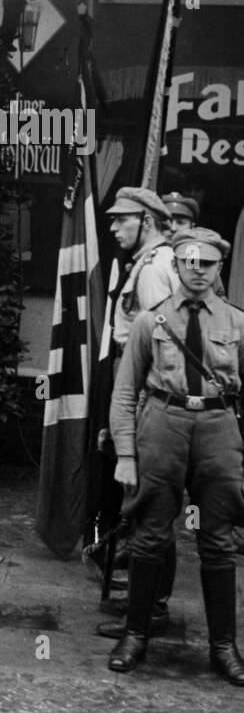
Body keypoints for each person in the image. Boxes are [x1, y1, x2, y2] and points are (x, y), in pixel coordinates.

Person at [108, 227, 244, 685]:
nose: (198, 270)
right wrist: (126, 453)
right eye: (190, 262)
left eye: (207, 263)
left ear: (218, 267)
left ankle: (224, 646)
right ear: (178, 264)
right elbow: (125, 392)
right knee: (149, 535)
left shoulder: (238, 323)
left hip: (218, 428)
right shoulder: (151, 322)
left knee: (219, 540)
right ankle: (136, 635)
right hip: (162, 425)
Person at [96, 187, 179, 636]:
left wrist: (137, 411)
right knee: (151, 506)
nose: (113, 228)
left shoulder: (154, 268)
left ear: (147, 220)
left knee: (151, 506)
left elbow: (158, 342)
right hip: (145, 390)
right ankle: (149, 604)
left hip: (148, 393)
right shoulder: (153, 263)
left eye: (121, 220)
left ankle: (149, 612)